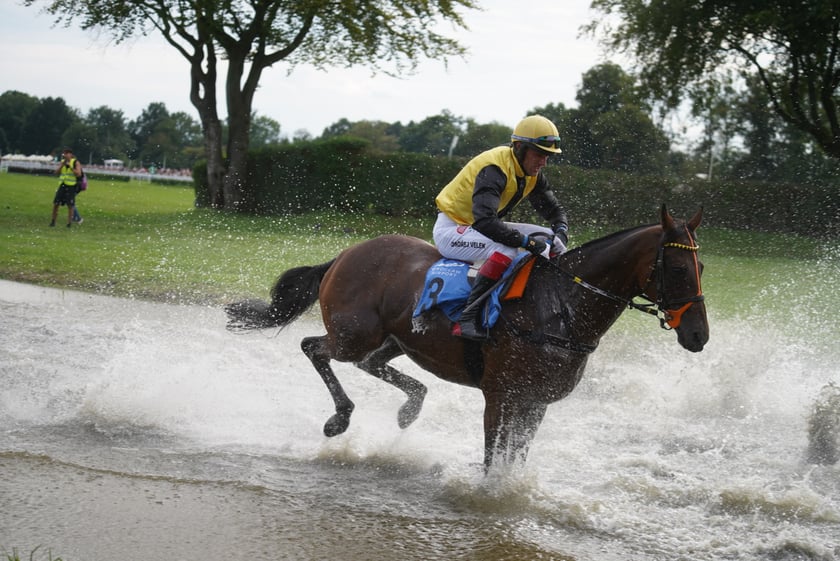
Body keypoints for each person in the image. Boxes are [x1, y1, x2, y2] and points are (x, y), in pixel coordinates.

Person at [433, 114, 569, 340]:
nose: (543, 162)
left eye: (548, 156)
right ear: (519, 147)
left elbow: (555, 213)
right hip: (452, 230)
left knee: (548, 237)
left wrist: (561, 231)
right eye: (539, 154)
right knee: (506, 249)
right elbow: (485, 221)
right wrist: (526, 242)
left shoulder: (531, 173)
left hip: (478, 228)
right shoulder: (494, 167)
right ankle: (467, 316)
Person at [50, 148, 81, 228]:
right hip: (62, 185)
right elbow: (56, 172)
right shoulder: (62, 162)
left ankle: (69, 223)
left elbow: (78, 174)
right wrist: (62, 166)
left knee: (70, 205)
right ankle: (53, 221)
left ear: (71, 154)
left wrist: (71, 167)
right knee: (56, 204)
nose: (65, 155)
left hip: (71, 186)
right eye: (64, 154)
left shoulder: (75, 162)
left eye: (67, 153)